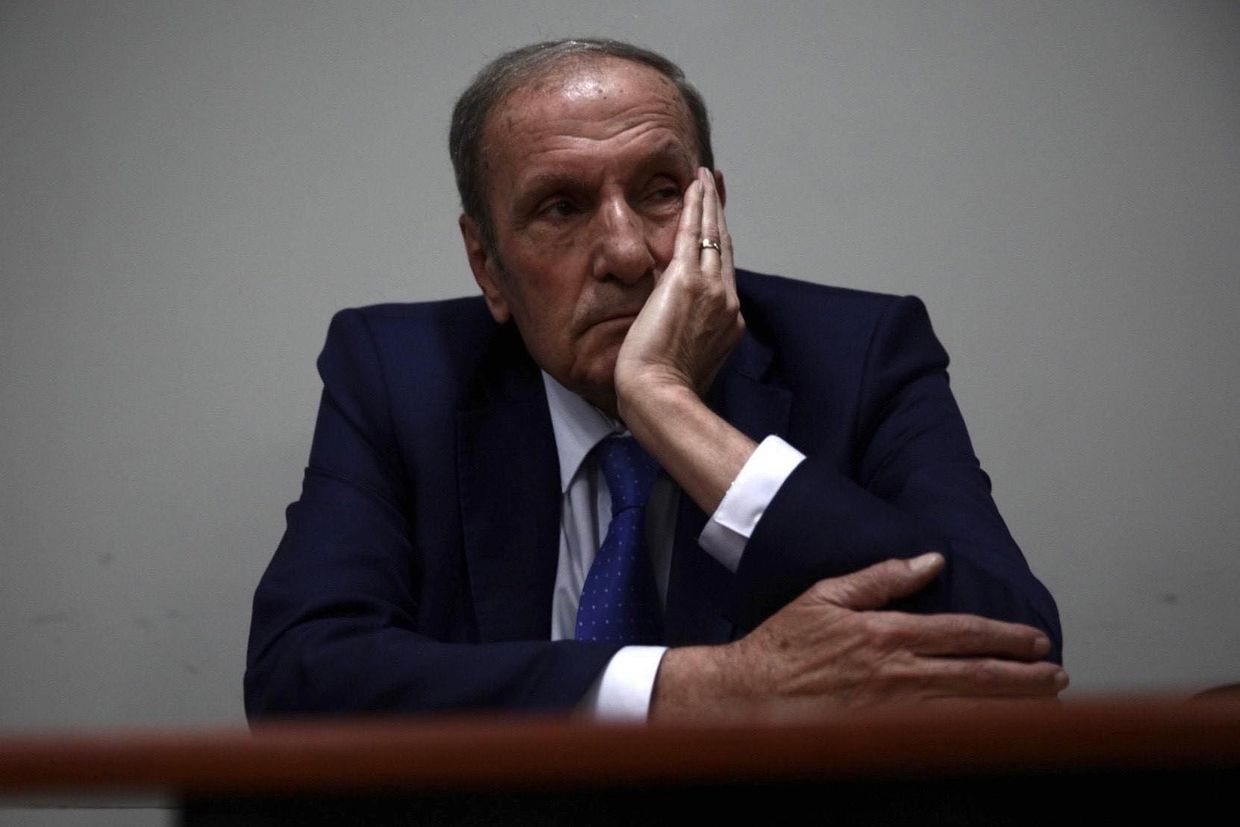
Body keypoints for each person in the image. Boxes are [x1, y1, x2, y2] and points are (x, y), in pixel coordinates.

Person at [245, 38, 1065, 722]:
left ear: (716, 215)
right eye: (562, 207)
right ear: (487, 265)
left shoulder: (860, 354)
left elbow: (1010, 652)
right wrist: (706, 688)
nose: (628, 252)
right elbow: (298, 677)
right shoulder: (398, 373)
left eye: (662, 193)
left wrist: (668, 406)